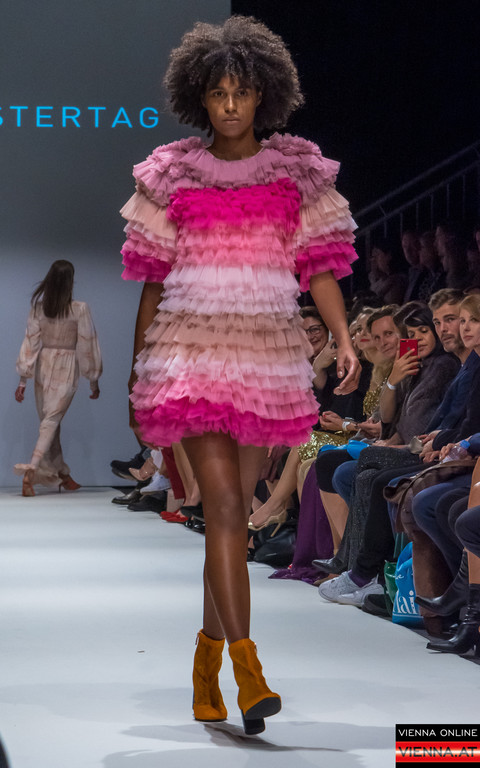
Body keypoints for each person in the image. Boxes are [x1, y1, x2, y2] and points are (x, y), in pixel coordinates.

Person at [120, 16, 359, 734]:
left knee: (231, 522)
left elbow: (319, 266)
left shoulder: (295, 171)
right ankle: (249, 673)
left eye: (242, 92)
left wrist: (344, 336)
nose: (229, 105)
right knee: (226, 507)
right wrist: (138, 373)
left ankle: (205, 667)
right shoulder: (172, 172)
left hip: (264, 359)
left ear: (264, 95)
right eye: (218, 92)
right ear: (199, 96)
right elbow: (153, 283)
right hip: (189, 354)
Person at [14, 260, 102, 496]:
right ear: (70, 282)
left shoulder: (39, 308)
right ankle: (31, 470)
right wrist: (93, 381)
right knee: (51, 422)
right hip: (66, 366)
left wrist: (23, 380)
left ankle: (62, 474)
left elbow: (30, 344)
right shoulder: (79, 309)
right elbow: (87, 345)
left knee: (50, 421)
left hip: (43, 366)